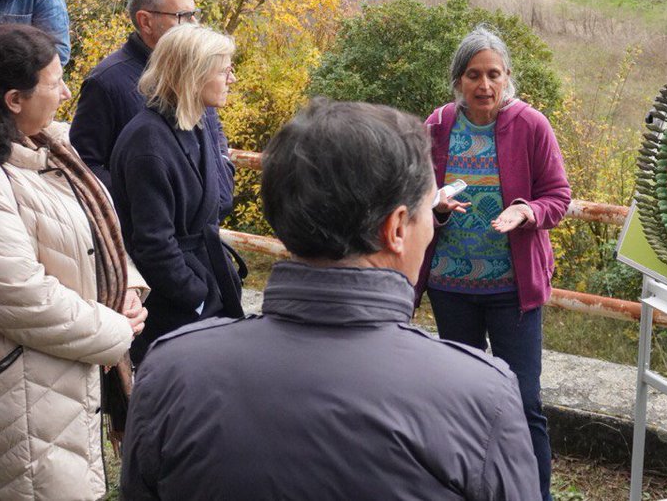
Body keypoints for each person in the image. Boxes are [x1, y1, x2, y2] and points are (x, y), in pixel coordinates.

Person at [121, 99, 540, 500]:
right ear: (396, 228)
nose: (431, 224)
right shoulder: (481, 397)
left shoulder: (169, 371)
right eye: (427, 209)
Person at [0, 25, 146, 499]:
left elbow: (96, 232)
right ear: (14, 99)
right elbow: (19, 296)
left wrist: (127, 288)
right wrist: (115, 329)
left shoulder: (47, 148)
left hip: (53, 378)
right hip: (12, 394)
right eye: (55, 81)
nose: (66, 92)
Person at [419, 25, 571, 501]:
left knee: (524, 403)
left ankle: (535, 494)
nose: (484, 85)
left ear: (508, 78)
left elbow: (558, 197)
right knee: (462, 402)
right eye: (473, 75)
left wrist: (527, 211)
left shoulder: (531, 124)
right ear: (458, 80)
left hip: (513, 291)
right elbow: (416, 196)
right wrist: (436, 206)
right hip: (451, 287)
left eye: (493, 74)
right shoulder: (438, 125)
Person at [110, 24, 243, 365]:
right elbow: (153, 244)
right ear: (195, 75)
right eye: (225, 71)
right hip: (176, 314)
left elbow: (219, 201)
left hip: (202, 293)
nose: (233, 79)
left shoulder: (195, 124)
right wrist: (197, 298)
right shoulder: (148, 143)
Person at [70, 0, 231, 193]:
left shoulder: (194, 66)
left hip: (203, 219)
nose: (194, 24)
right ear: (146, 21)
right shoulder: (106, 82)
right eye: (183, 16)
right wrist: (141, 200)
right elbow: (84, 165)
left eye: (194, 14)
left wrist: (223, 175)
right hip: (146, 224)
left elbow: (213, 131)